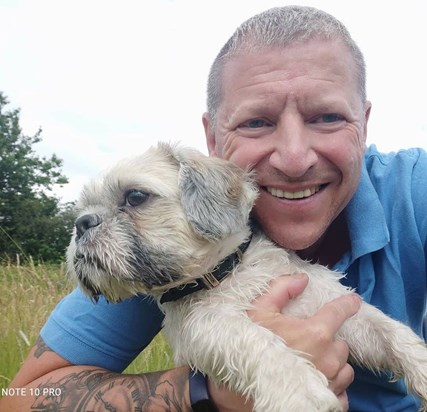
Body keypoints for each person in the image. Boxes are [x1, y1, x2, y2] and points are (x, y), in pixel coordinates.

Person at [1, 5, 426, 411]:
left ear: (364, 123)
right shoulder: (160, 251)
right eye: (255, 122)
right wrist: (207, 393)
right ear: (213, 137)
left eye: (328, 117)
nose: (294, 159)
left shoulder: (412, 188)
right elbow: (20, 400)